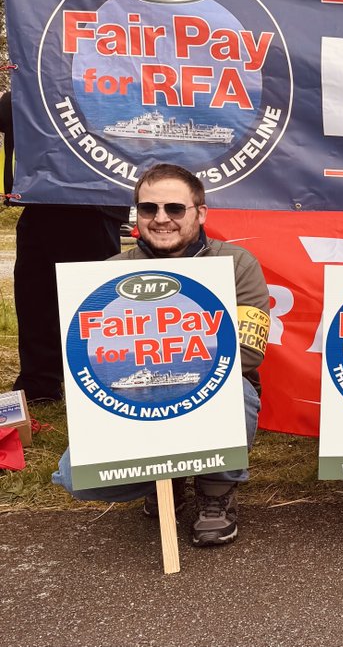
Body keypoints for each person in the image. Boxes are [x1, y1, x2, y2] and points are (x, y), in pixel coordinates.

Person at [52, 163, 270, 547]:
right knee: (75, 479)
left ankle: (215, 494)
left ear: (200, 213)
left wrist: (159, 369)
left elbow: (249, 353)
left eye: (175, 208)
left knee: (240, 395)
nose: (161, 219)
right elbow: (88, 359)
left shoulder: (237, 265)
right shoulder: (109, 273)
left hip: (213, 392)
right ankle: (163, 478)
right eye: (149, 209)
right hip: (132, 401)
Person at [0, 90, 127, 404]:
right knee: (34, 298)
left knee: (92, 305)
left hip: (92, 206)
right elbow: (6, 113)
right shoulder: (29, 88)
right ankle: (39, 384)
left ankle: (103, 381)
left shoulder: (105, 89)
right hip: (40, 203)